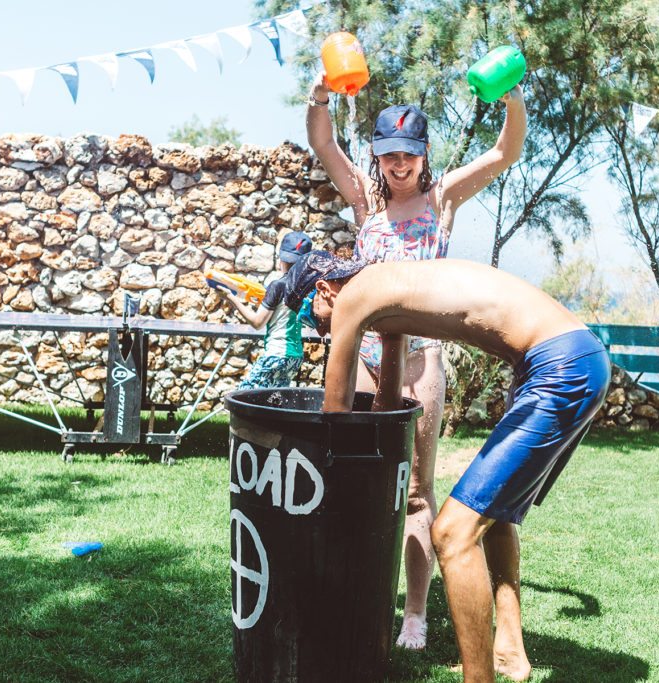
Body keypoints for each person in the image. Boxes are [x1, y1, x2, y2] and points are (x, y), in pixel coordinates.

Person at [281, 250, 610, 683]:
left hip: (559, 367)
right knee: (492, 514)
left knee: (452, 533)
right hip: (564, 359)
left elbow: (335, 414)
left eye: (310, 312)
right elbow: (388, 401)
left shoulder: (354, 295)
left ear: (324, 289)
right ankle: (509, 650)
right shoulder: (386, 298)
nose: (316, 326)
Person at [306, 67, 527, 649]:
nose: (397, 165)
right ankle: (353, 594)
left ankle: (415, 615)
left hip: (420, 358)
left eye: (407, 155)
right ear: (377, 156)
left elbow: (506, 151)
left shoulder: (442, 198)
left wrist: (511, 96)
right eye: (387, 155)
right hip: (362, 354)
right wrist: (320, 95)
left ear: (423, 154)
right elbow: (323, 141)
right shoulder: (364, 199)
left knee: (416, 493)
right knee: (348, 476)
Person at [219, 231, 313, 389]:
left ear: (281, 258)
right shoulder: (306, 287)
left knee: (243, 397)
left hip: (277, 353)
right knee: (274, 401)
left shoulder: (277, 285)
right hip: (295, 356)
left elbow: (257, 323)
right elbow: (283, 314)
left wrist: (231, 298)